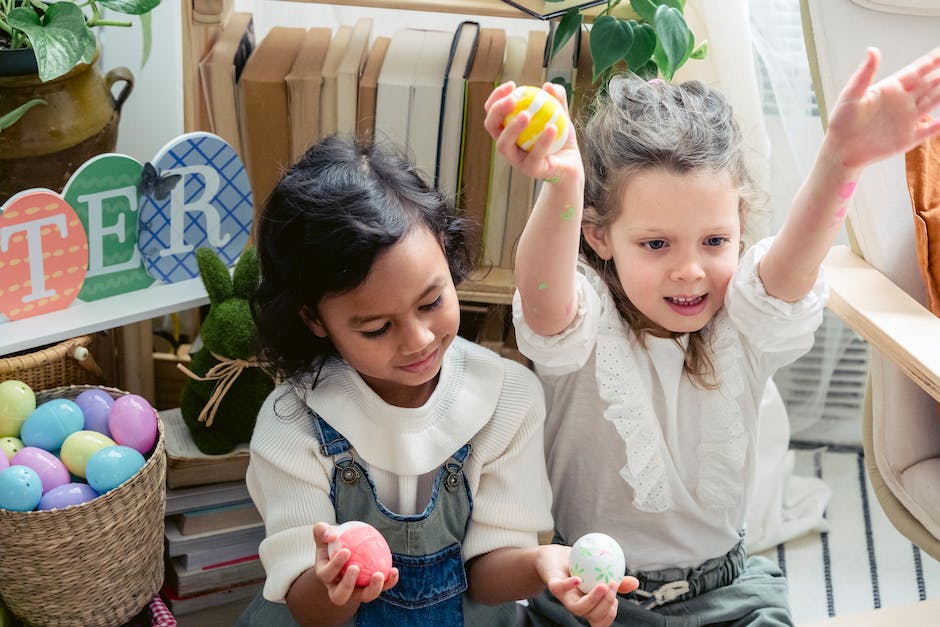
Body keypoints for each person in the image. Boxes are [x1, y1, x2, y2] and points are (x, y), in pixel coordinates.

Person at [483, 46, 940, 626]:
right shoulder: (585, 323)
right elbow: (543, 296)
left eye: (715, 242)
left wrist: (841, 162)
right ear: (598, 237)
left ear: (740, 230)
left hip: (732, 595)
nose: (690, 270)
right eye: (656, 244)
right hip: (591, 600)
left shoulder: (745, 320)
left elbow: (791, 271)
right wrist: (564, 183)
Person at [236, 135, 639, 627]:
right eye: (376, 328)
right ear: (314, 319)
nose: (418, 340)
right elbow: (306, 606)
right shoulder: (294, 421)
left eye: (431, 302)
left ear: (447, 254)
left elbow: (487, 578)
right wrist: (335, 585)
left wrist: (540, 563)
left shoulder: (506, 398)